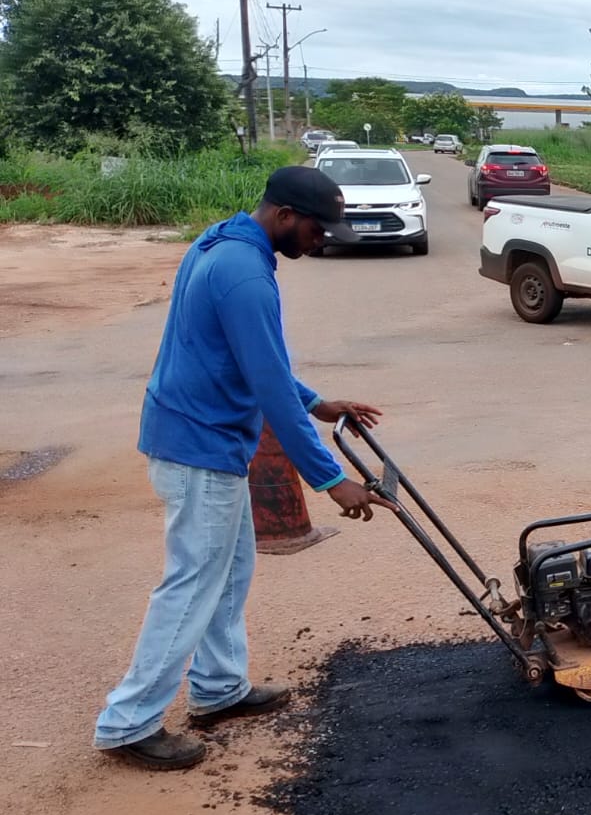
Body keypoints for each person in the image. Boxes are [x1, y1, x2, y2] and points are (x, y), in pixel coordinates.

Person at [94, 166, 394, 771]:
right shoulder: (245, 275)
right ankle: (128, 722)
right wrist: (333, 480)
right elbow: (268, 387)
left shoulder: (223, 240)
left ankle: (217, 688)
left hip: (201, 435)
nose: (322, 240)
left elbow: (256, 359)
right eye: (315, 229)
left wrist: (317, 401)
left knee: (230, 570)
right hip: (198, 445)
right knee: (193, 582)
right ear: (283, 215)